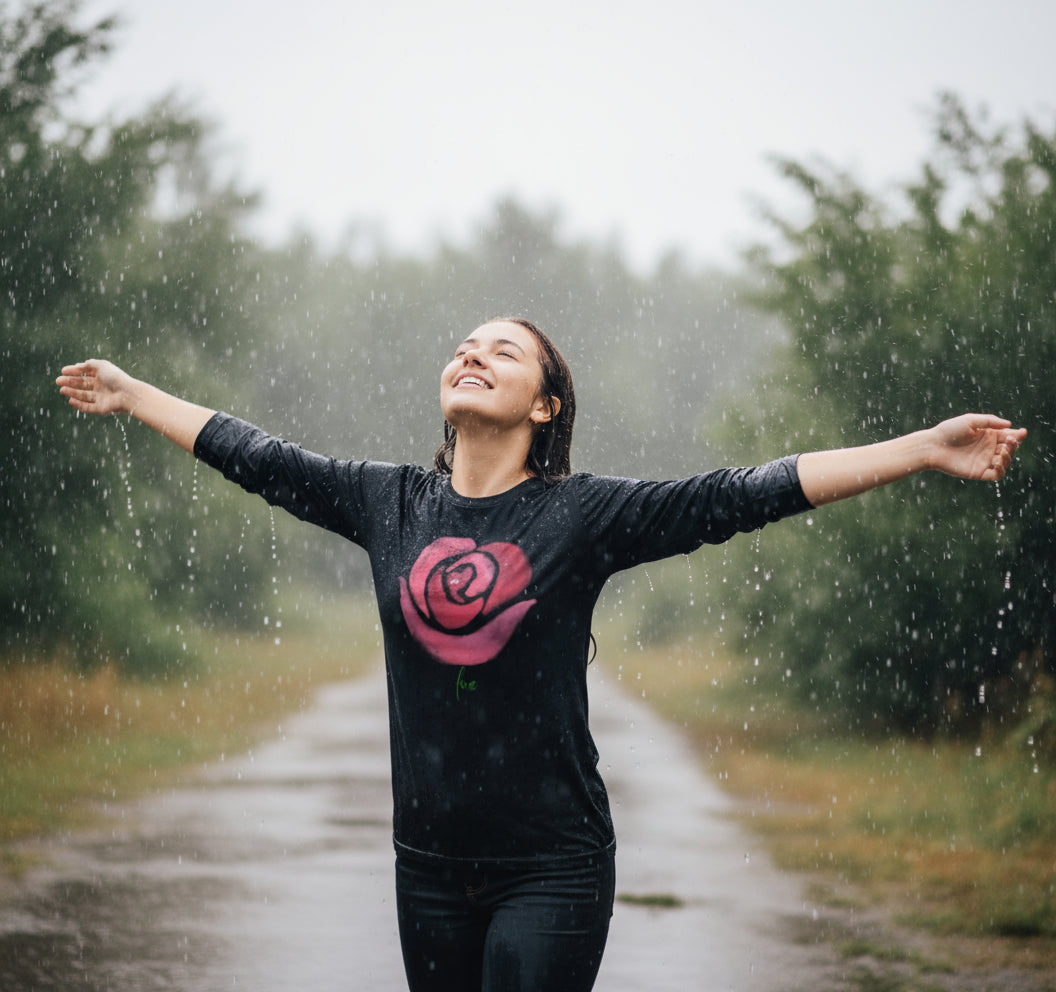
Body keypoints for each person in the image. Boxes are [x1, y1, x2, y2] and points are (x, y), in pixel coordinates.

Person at [57, 318, 1026, 992]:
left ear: (547, 404)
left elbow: (740, 492)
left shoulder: (584, 515)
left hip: (552, 865)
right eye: (464, 344)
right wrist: (136, 394)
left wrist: (920, 448)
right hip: (427, 862)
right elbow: (260, 456)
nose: (473, 352)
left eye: (504, 349)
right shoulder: (386, 501)